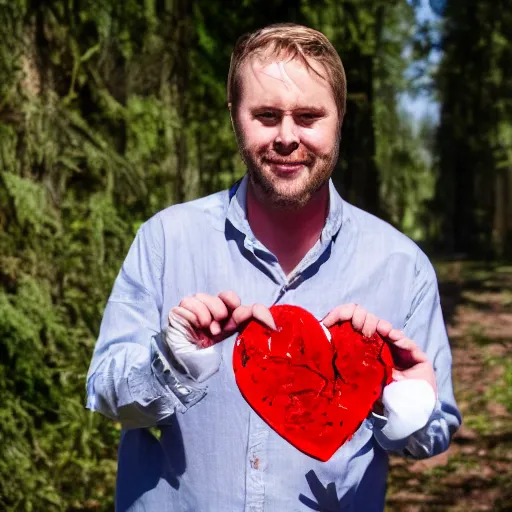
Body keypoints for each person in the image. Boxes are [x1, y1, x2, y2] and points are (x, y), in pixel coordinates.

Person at [86, 23, 461, 512]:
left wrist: (403, 403)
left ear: (339, 117)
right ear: (235, 117)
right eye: (266, 115)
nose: (287, 137)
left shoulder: (401, 265)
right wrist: (170, 361)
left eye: (308, 116)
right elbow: (106, 392)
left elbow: (431, 435)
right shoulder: (166, 239)